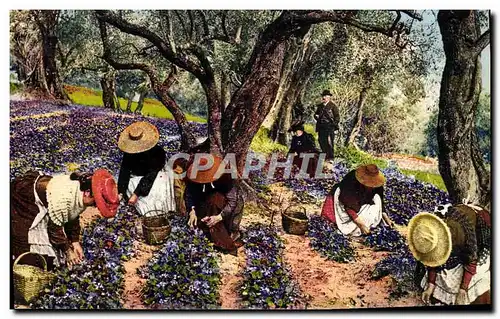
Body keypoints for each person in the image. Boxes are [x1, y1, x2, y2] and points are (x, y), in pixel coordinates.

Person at [11, 169, 119, 270]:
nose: (94, 206)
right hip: (25, 199)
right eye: (95, 202)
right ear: (87, 192)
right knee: (25, 243)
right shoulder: (63, 198)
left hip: (44, 200)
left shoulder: (79, 194)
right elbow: (54, 229)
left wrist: (75, 241)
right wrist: (67, 250)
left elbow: (72, 215)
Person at [408, 204, 491, 306]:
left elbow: (471, 260)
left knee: (477, 276)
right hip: (455, 236)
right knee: (440, 276)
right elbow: (432, 260)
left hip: (480, 232)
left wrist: (463, 289)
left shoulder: (460, 234)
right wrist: (431, 284)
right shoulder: (430, 232)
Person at [185, 155, 244, 255]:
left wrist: (219, 217)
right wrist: (192, 210)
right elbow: (189, 194)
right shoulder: (195, 175)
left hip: (225, 206)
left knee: (215, 199)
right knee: (202, 221)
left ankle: (224, 237)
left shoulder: (227, 177)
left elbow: (232, 202)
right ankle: (210, 227)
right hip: (208, 203)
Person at [117, 121, 175, 216]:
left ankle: (158, 212)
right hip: (136, 178)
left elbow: (151, 174)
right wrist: (121, 192)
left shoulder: (158, 152)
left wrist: (136, 194)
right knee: (131, 191)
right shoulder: (129, 153)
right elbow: (125, 171)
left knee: (158, 191)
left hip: (154, 178)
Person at [320, 164, 393, 236]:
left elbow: (381, 200)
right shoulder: (351, 181)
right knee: (352, 224)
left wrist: (387, 219)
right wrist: (361, 225)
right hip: (344, 200)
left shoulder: (377, 182)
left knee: (377, 199)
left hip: (361, 201)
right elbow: (349, 207)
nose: (371, 186)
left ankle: (367, 224)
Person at [314, 90, 339, 161]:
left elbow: (337, 117)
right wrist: (316, 116)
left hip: (329, 127)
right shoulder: (320, 106)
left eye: (325, 96)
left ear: (329, 97)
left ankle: (331, 158)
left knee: (330, 142)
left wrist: (334, 125)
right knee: (321, 140)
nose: (323, 97)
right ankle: (324, 155)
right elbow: (316, 114)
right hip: (321, 126)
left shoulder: (333, 106)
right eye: (323, 96)